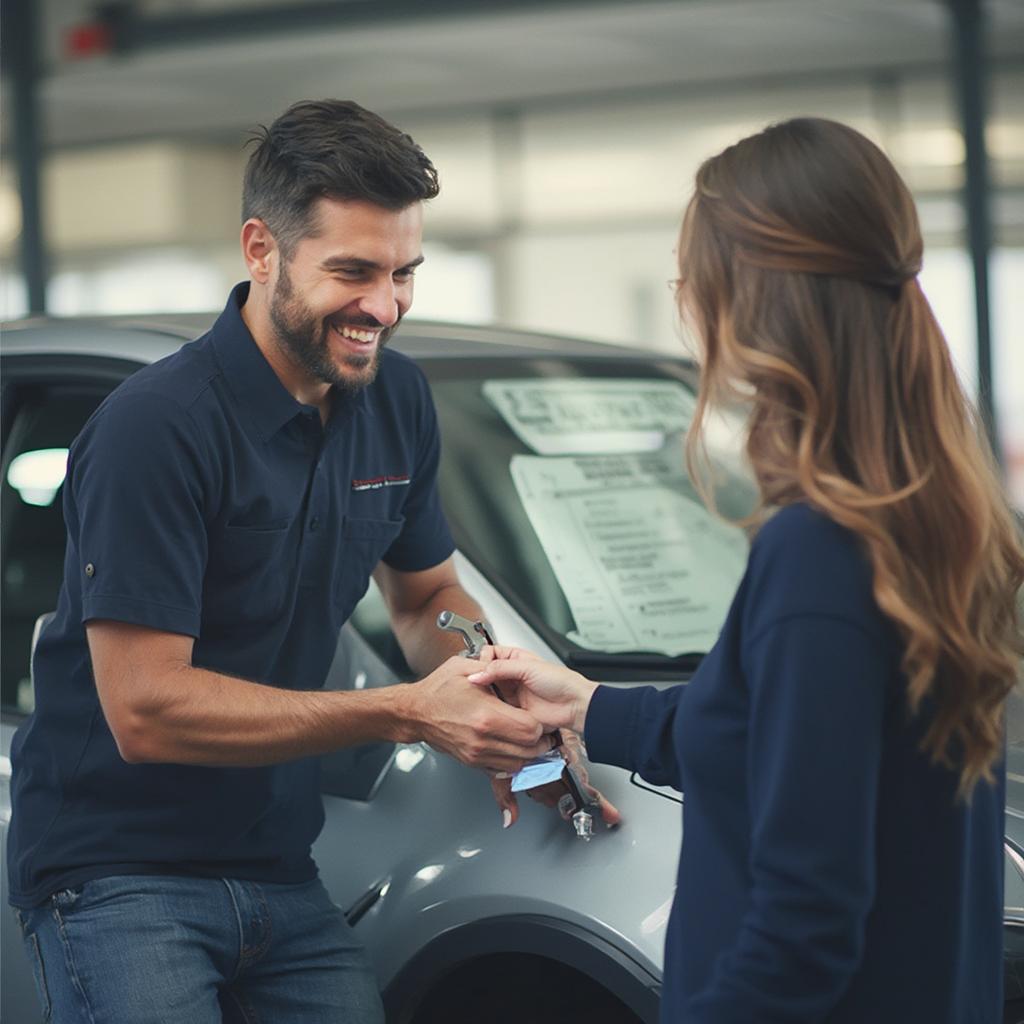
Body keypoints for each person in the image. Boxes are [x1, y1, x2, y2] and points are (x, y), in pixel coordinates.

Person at [6, 99, 565, 1024]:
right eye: (352, 271)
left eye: (403, 274)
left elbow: (427, 596)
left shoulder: (398, 399)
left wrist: (496, 685)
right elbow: (146, 709)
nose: (383, 306)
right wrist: (409, 714)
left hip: (278, 866)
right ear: (262, 250)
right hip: (117, 874)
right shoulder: (158, 426)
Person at [470, 117, 1024, 1023]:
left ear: (744, 303)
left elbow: (804, 923)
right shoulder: (926, 523)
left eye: (695, 280)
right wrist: (589, 707)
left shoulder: (819, 554)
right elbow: (790, 740)